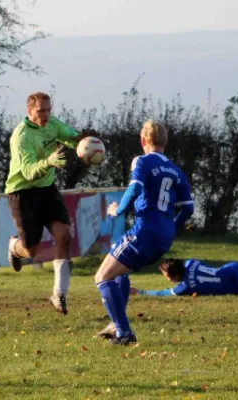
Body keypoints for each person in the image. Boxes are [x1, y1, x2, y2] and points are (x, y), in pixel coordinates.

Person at [94, 120, 194, 345]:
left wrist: (117, 210)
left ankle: (124, 332)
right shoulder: (176, 171)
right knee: (119, 271)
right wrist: (170, 228)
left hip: (144, 231)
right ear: (165, 142)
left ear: (143, 141)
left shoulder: (142, 161)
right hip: (164, 237)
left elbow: (135, 187)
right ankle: (116, 324)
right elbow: (188, 209)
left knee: (102, 277)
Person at [5, 91, 95, 316]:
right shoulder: (21, 136)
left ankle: (59, 293)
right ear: (29, 111)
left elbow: (70, 137)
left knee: (64, 235)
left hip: (47, 190)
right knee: (32, 250)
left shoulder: (52, 123)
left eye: (48, 110)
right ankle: (14, 248)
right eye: (40, 111)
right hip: (22, 192)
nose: (45, 114)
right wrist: (48, 162)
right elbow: (28, 172)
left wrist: (85, 142)